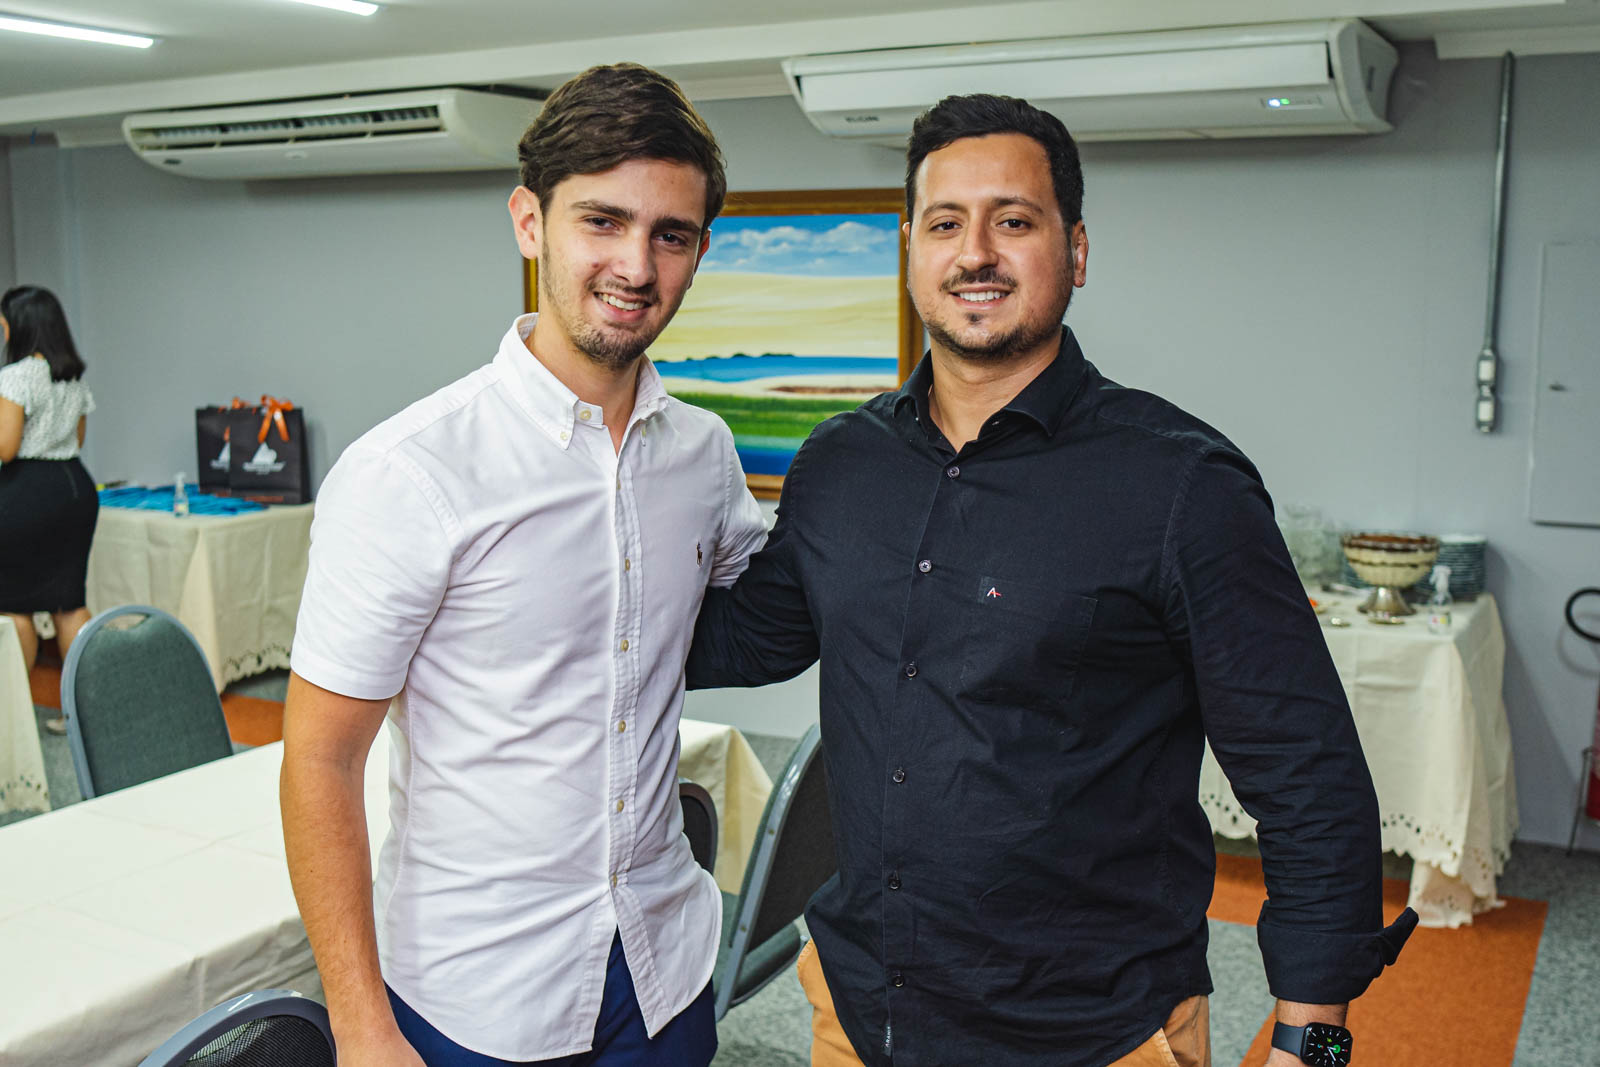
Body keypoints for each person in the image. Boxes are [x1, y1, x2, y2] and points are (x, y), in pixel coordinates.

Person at [687, 94, 1415, 1067]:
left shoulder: (1181, 486)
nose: (975, 252)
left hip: (1094, 1034)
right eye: (945, 223)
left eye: (1014, 221)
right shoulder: (842, 465)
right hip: (859, 1017)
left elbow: (1308, 775)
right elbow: (751, 633)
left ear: (1075, 250)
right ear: (911, 249)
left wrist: (1312, 1044)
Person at [281, 63, 767, 1067]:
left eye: (670, 234)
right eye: (603, 220)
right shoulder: (407, 472)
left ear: (698, 252)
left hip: (663, 968)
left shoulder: (703, 454)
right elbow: (319, 761)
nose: (635, 263)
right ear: (529, 221)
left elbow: (771, 603)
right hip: (475, 994)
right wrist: (362, 1028)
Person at [0, 285, 98, 736]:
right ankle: (82, 716)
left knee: (12, 605)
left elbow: (6, 447)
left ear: (19, 325)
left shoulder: (16, 376)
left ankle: (14, 721)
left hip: (26, 491)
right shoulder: (71, 376)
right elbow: (78, 438)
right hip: (75, 487)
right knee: (69, 602)